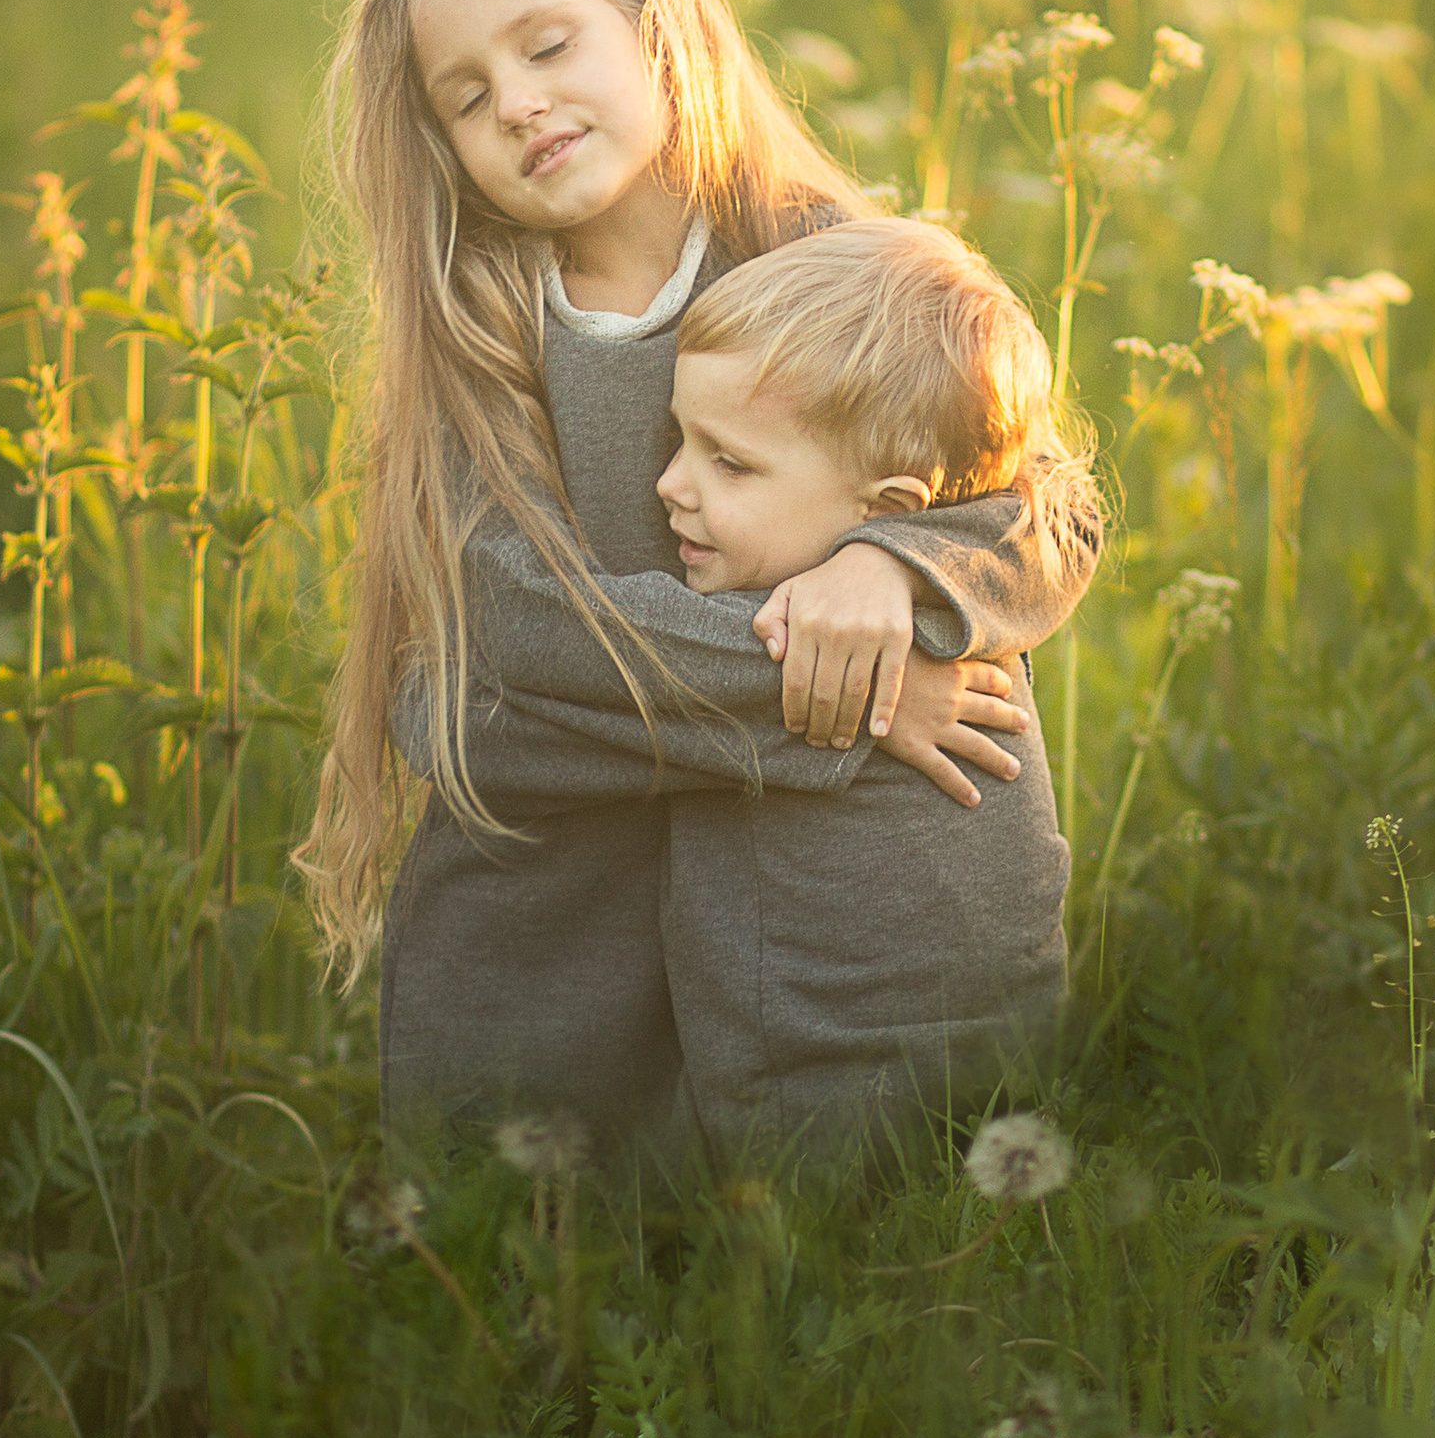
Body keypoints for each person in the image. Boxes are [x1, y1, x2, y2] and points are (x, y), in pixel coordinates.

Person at [295, 0, 1098, 1146]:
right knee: (544, 1252)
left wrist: (893, 568)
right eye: (467, 96)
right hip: (542, 953)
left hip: (799, 945)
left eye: (548, 46)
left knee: (810, 1244)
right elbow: (488, 675)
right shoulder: (476, 341)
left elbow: (1052, 508)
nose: (519, 102)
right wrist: (854, 702)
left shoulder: (820, 258)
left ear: (651, 23)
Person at [444, 216, 1084, 1148]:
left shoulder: (916, 648)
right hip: (877, 1102)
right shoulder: (923, 618)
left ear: (890, 509)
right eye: (680, 440)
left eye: (729, 462)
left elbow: (465, 731)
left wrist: (885, 570)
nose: (669, 485)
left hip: (833, 1115)